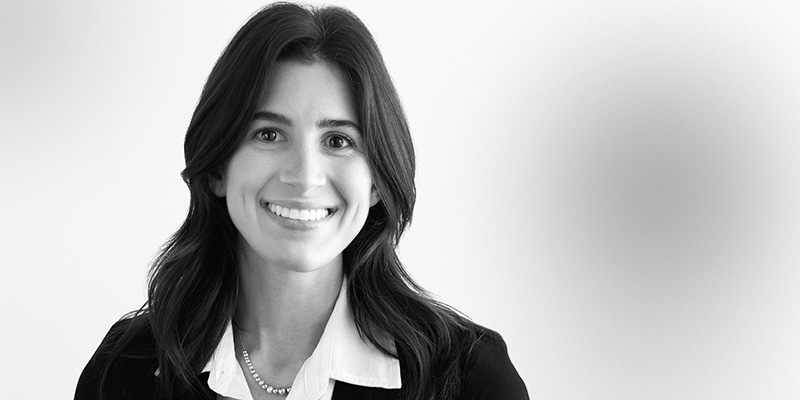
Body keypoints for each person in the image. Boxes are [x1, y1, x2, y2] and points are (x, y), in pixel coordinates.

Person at [75, 2, 528, 399]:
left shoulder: (470, 380)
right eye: (269, 134)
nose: (305, 177)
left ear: (376, 181)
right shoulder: (126, 368)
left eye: (338, 141)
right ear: (217, 169)